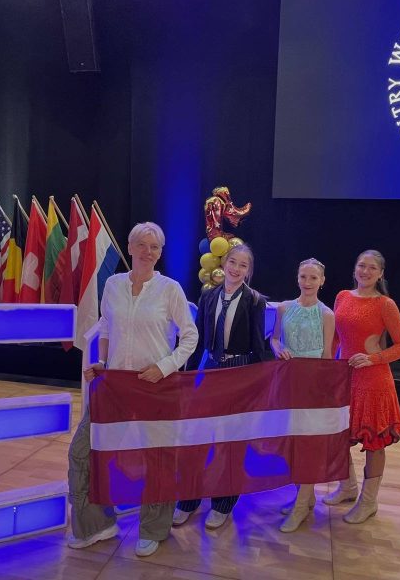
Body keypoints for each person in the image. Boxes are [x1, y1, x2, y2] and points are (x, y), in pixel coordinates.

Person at [67, 222, 198, 557]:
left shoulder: (170, 289)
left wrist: (164, 367)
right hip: (115, 385)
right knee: (84, 452)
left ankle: (154, 528)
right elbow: (106, 326)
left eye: (154, 247)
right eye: (141, 244)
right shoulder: (112, 285)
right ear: (129, 247)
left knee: (157, 459)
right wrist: (103, 362)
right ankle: (96, 524)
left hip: (156, 387)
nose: (147, 251)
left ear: (160, 252)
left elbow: (190, 336)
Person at [172, 243, 267, 530]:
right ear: (224, 263)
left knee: (231, 441)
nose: (236, 268)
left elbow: (258, 345)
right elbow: (199, 341)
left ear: (249, 271)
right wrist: (189, 378)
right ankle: (187, 499)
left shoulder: (254, 301)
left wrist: (258, 384)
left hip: (239, 373)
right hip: (212, 371)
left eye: (243, 265)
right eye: (233, 262)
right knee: (197, 437)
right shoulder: (208, 296)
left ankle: (223, 503)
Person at [325, 249, 400, 523]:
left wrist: (373, 359)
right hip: (345, 378)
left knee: (374, 442)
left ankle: (368, 501)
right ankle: (347, 487)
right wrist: (330, 365)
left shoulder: (386, 304)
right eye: (362, 265)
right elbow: (336, 338)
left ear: (381, 274)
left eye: (372, 267)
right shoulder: (342, 296)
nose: (366, 271)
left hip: (374, 381)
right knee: (339, 434)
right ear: (354, 269)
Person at [270, 258, 335, 532]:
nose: (307, 282)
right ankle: (304, 497)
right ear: (297, 278)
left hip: (312, 385)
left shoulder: (327, 314)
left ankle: (301, 507)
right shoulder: (284, 308)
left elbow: (327, 354)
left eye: (313, 278)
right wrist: (278, 348)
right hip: (288, 381)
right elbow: (274, 338)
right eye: (303, 277)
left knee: (309, 444)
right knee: (292, 443)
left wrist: (325, 393)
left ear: (322, 281)